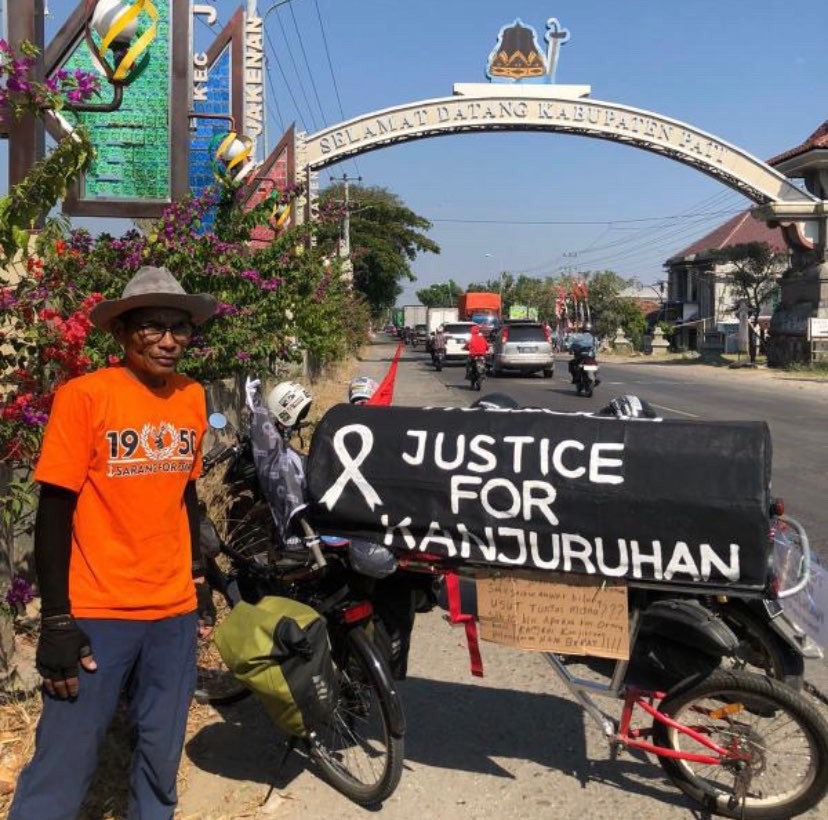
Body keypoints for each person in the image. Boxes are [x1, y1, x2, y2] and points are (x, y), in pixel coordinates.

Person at [10, 266, 218, 820]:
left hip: (171, 615)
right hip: (99, 613)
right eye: (153, 326)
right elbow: (54, 511)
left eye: (180, 328)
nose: (169, 340)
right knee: (63, 762)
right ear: (123, 333)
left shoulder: (193, 397)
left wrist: (197, 580)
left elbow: (187, 493)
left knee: (159, 758)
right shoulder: (85, 397)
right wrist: (56, 619)